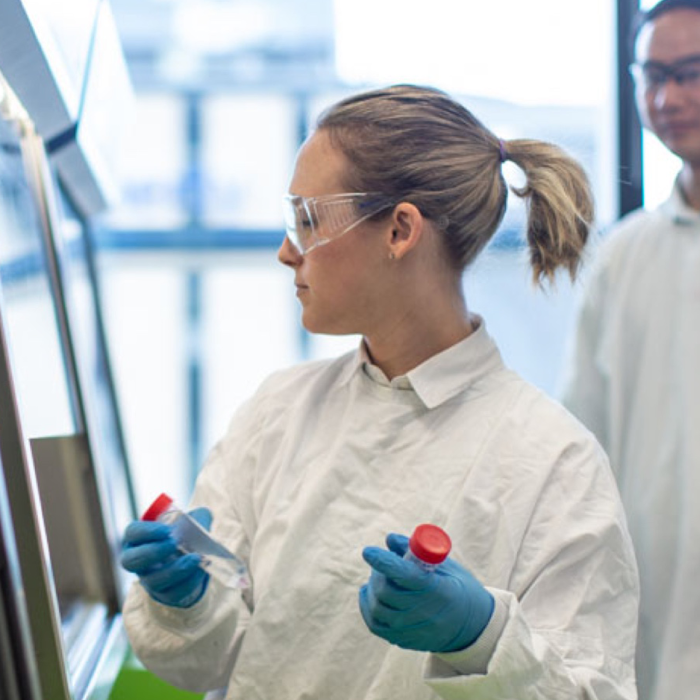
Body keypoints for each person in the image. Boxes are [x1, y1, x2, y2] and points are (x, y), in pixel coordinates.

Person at [120, 84, 639, 700]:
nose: (288, 252)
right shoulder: (277, 413)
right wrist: (187, 601)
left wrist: (482, 637)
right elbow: (207, 665)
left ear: (399, 230)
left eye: (308, 220)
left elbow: (591, 689)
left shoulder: (554, 461)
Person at [559, 2, 700, 699]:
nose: (667, 98)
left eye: (690, 73)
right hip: (653, 624)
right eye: (651, 77)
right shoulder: (623, 258)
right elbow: (582, 452)